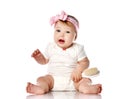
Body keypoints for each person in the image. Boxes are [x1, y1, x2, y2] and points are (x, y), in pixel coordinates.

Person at [26, 11, 102, 95]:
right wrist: (39, 57)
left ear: (75, 36)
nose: (62, 35)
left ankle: (87, 88)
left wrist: (78, 70)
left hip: (73, 80)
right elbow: (44, 61)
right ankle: (40, 88)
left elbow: (85, 62)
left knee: (85, 81)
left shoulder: (78, 48)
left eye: (67, 32)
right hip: (53, 79)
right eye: (58, 30)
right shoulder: (51, 47)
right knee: (42, 79)